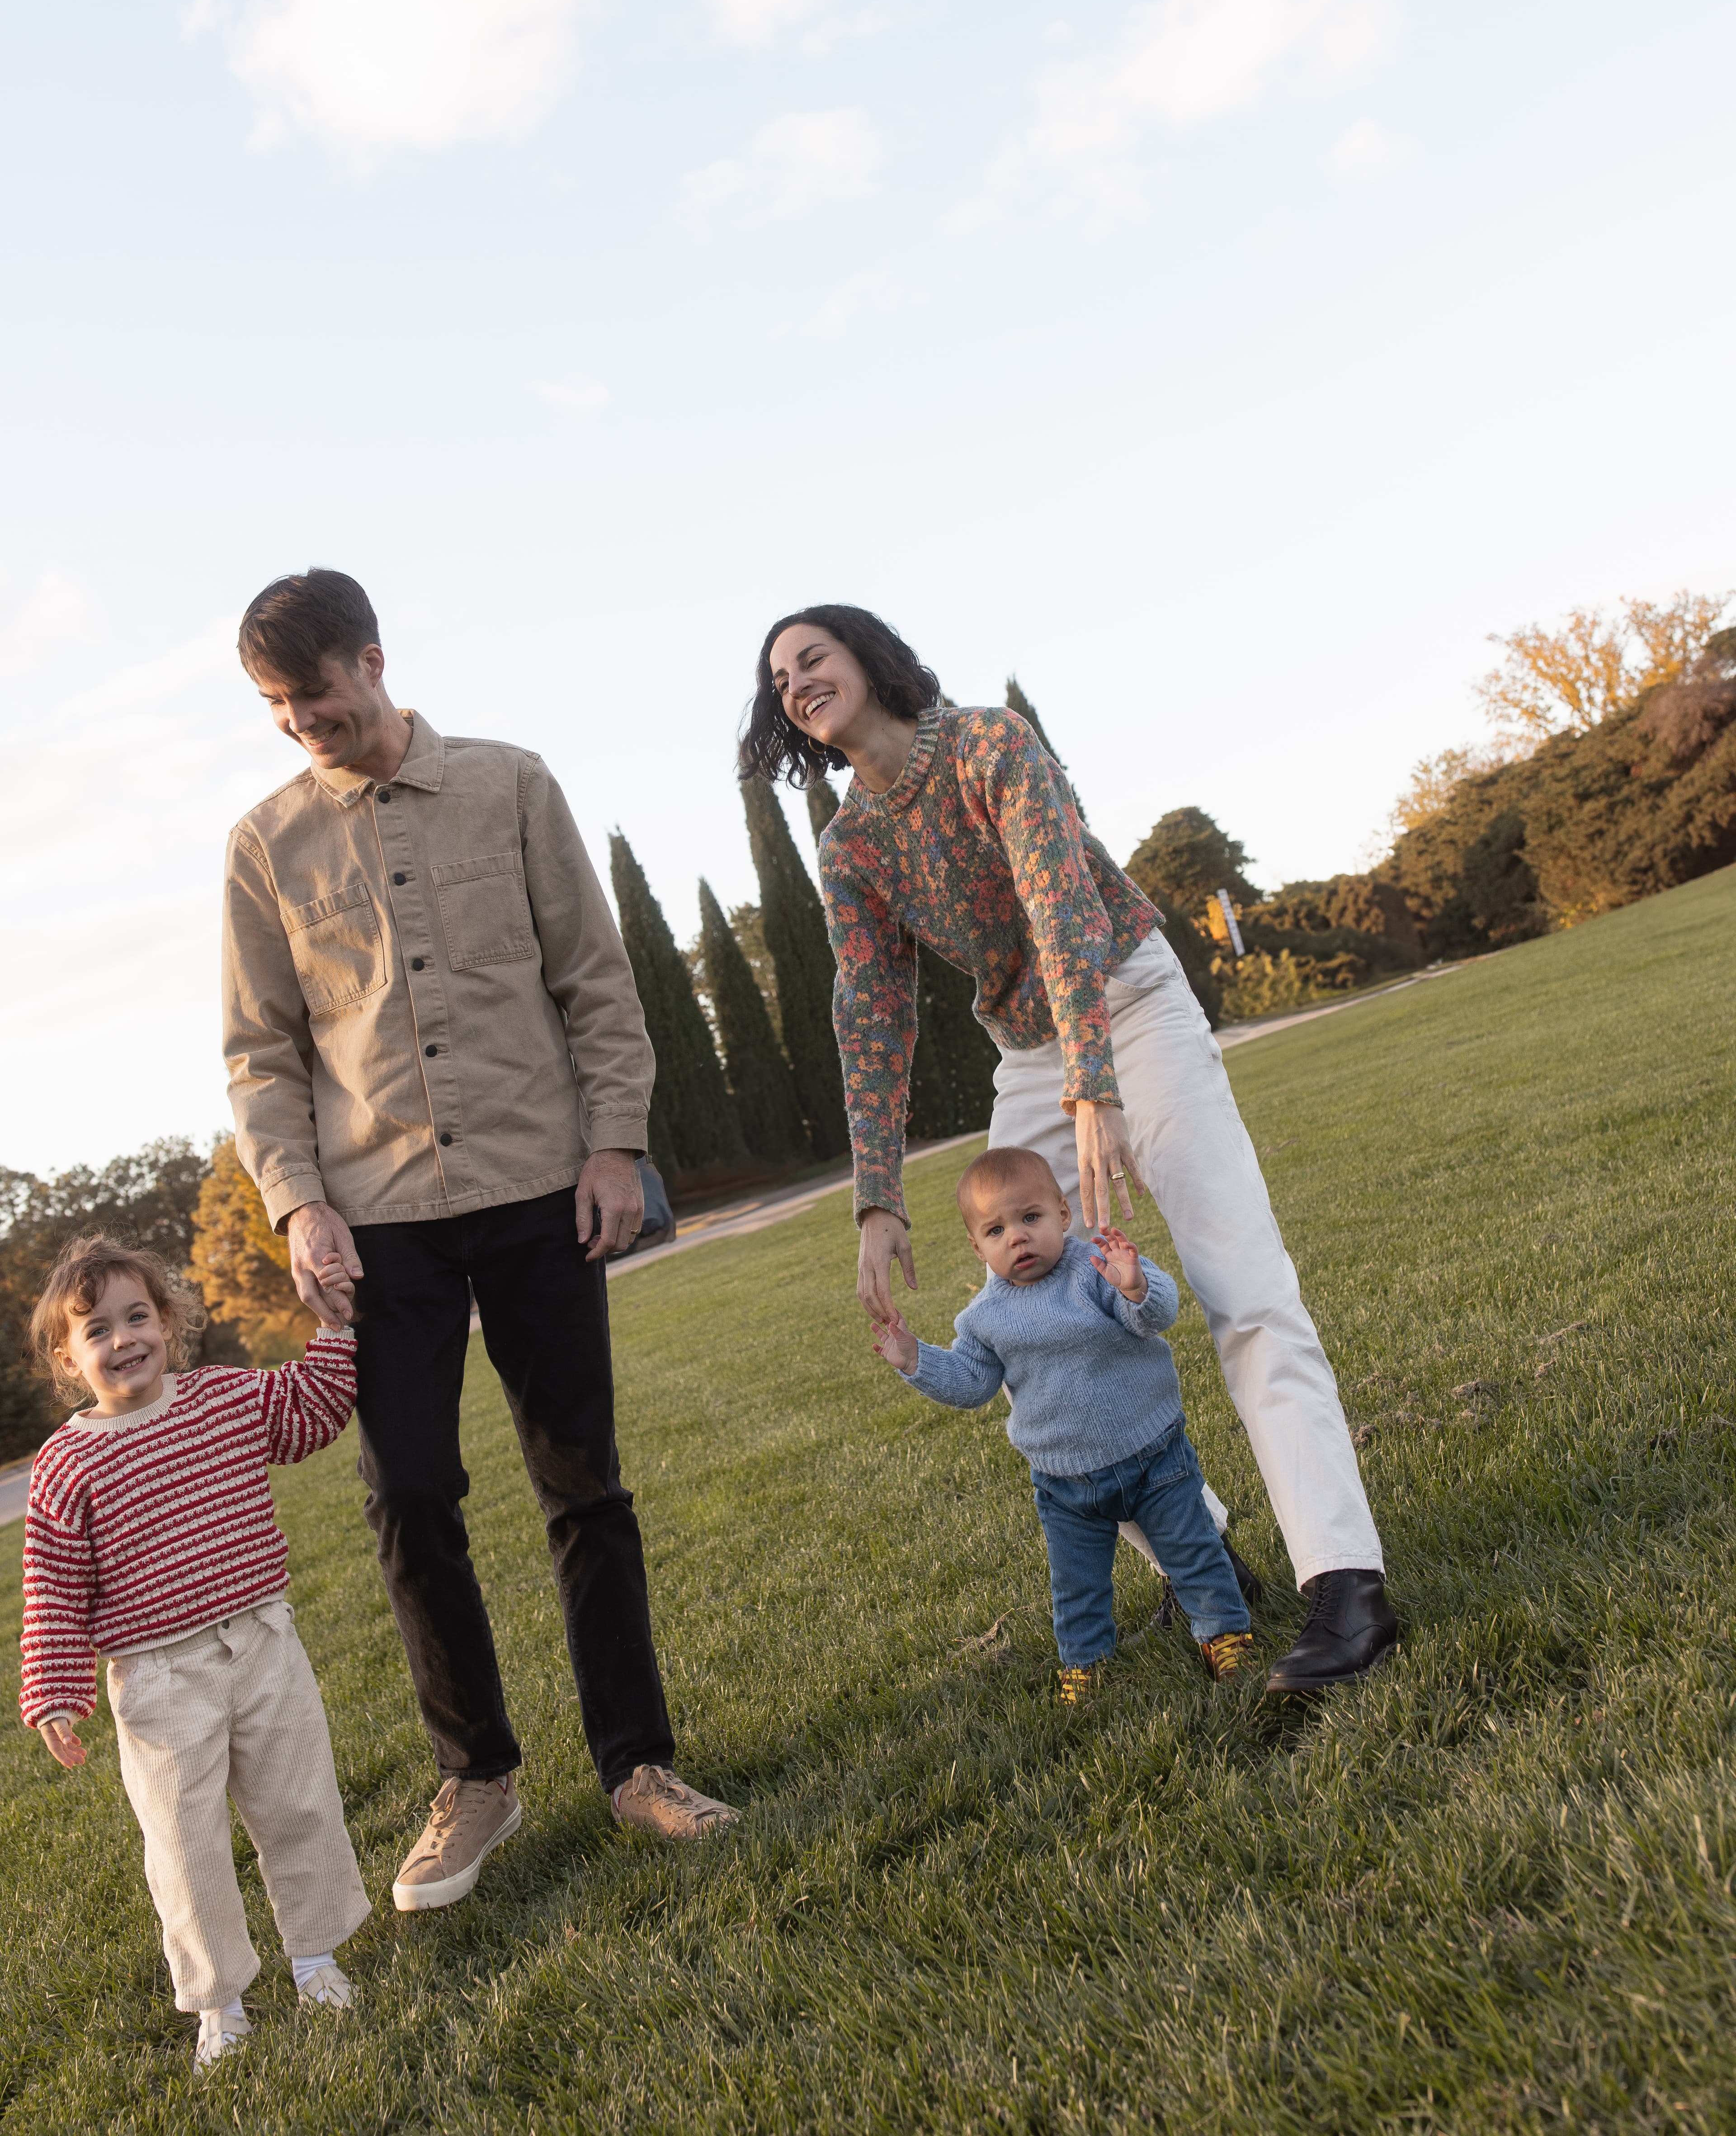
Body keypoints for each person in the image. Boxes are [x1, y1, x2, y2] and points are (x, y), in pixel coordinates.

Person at [741, 605, 1399, 1695]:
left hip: (1128, 1000)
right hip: (1024, 1049)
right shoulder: (847, 846)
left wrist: (1094, 1080)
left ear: (868, 657)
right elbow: (868, 1010)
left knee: (1241, 1288)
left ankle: (1346, 1587)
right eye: (779, 679)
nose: (797, 681)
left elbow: (1060, 911)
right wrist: (874, 1197)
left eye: (813, 655)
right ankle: (1203, 1554)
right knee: (1025, 1322)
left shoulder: (990, 741)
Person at [222, 567, 735, 1915]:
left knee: (584, 1485)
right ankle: (479, 1780)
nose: (299, 724)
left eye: (315, 694)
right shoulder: (263, 845)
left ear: (373, 660)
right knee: (409, 1500)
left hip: (536, 1186)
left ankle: (638, 1767)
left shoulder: (511, 783)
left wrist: (613, 1140)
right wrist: (296, 1200)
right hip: (375, 1221)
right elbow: (261, 1055)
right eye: (276, 708)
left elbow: (594, 976)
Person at [20, 1236, 369, 2075]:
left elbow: (309, 1409)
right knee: (184, 1841)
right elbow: (55, 1588)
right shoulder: (66, 1464)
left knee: (299, 1802)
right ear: (69, 1358)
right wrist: (54, 1690)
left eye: (138, 1315)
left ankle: (316, 1955)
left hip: (261, 1643)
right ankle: (220, 1999)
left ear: (169, 1323)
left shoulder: (222, 1399)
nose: (123, 1337)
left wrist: (336, 1329)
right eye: (97, 1328)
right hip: (158, 1678)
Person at [873, 1148, 1254, 1694]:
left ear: (1063, 1215)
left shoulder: (1094, 1271)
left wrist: (1136, 1285)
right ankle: (1086, 1666)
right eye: (997, 1230)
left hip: (1154, 1456)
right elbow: (973, 1383)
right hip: (1065, 1484)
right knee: (1077, 1587)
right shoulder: (984, 1318)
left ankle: (1225, 1636)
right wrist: (917, 1360)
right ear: (977, 1247)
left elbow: (1153, 1319)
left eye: (1031, 1218)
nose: (1018, 1238)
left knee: (1191, 1550)